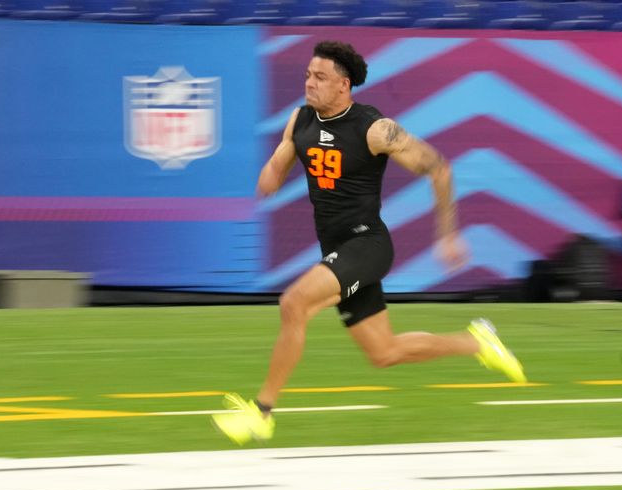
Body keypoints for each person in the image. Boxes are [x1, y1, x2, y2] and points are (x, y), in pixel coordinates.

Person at [212, 41, 526, 445]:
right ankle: (477, 342)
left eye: (320, 78)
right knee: (384, 353)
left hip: (368, 246)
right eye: (308, 75)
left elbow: (439, 168)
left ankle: (261, 413)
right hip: (337, 250)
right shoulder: (300, 120)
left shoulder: (375, 128)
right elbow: (271, 178)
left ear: (344, 85)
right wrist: (274, 170)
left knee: (294, 303)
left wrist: (448, 234)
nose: (309, 83)